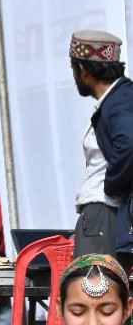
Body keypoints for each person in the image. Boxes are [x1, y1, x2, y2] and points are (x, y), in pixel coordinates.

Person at [70, 31, 133, 258]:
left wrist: (112, 186)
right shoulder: (121, 98)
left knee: (93, 280)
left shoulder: (120, 101)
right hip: (110, 215)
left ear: (83, 70)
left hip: (104, 211)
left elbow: (129, 145)